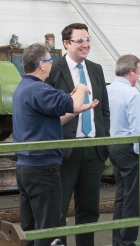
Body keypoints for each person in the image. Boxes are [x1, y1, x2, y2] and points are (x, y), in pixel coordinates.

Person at [12, 43, 99, 246]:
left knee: (32, 226)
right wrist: (80, 88)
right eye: (50, 61)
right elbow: (74, 101)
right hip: (43, 167)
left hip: (25, 166)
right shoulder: (40, 89)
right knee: (49, 227)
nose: (51, 65)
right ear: (41, 65)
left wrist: (76, 110)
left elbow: (52, 119)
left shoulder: (22, 88)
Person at [45, 23, 110, 246]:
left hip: (93, 149)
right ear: (66, 43)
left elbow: (104, 109)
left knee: (89, 209)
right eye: (80, 40)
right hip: (65, 151)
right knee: (59, 210)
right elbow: (48, 110)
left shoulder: (96, 69)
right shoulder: (54, 70)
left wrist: (104, 135)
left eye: (88, 39)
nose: (86, 45)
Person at [107, 54, 140, 246]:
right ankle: (128, 241)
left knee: (121, 196)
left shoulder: (107, 90)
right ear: (131, 72)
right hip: (130, 148)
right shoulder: (132, 94)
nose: (138, 76)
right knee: (132, 197)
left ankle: (118, 240)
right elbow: (138, 130)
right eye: (138, 72)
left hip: (113, 146)